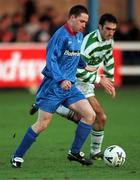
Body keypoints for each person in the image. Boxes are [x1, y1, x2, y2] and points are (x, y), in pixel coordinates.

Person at [11, 5, 96, 168]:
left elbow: (74, 55)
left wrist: (84, 65)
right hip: (53, 87)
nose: (84, 25)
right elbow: (51, 62)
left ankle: (74, 152)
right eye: (81, 21)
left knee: (90, 115)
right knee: (42, 124)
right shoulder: (60, 36)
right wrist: (61, 80)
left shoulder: (78, 35)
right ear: (71, 18)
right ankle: (17, 156)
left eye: (86, 22)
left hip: (69, 88)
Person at [30, 13, 117, 160]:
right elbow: (77, 69)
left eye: (114, 30)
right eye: (108, 29)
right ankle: (90, 151)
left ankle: (59, 108)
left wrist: (110, 79)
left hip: (88, 81)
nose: (111, 32)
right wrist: (98, 79)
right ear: (100, 27)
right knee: (99, 116)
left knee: (87, 118)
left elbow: (109, 58)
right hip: (78, 80)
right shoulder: (88, 43)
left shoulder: (109, 40)